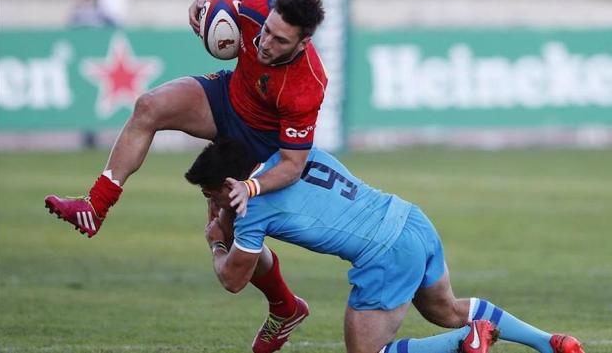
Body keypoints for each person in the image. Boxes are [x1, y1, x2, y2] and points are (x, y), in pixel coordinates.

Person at [45, 0, 326, 353]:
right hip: (227, 96)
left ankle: (285, 307)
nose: (265, 43)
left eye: (280, 41)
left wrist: (251, 187)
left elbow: (292, 163)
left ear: (304, 42)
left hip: (258, 142)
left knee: (228, 243)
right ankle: (96, 206)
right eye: (267, 31)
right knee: (149, 106)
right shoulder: (265, 1)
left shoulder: (307, 84)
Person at [184, 137, 586, 353]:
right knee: (447, 309)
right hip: (411, 219)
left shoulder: (253, 211)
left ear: (230, 184)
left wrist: (217, 243)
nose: (212, 203)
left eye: (211, 194)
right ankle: (551, 343)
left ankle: (462, 343)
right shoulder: (295, 154)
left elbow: (234, 279)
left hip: (385, 254)